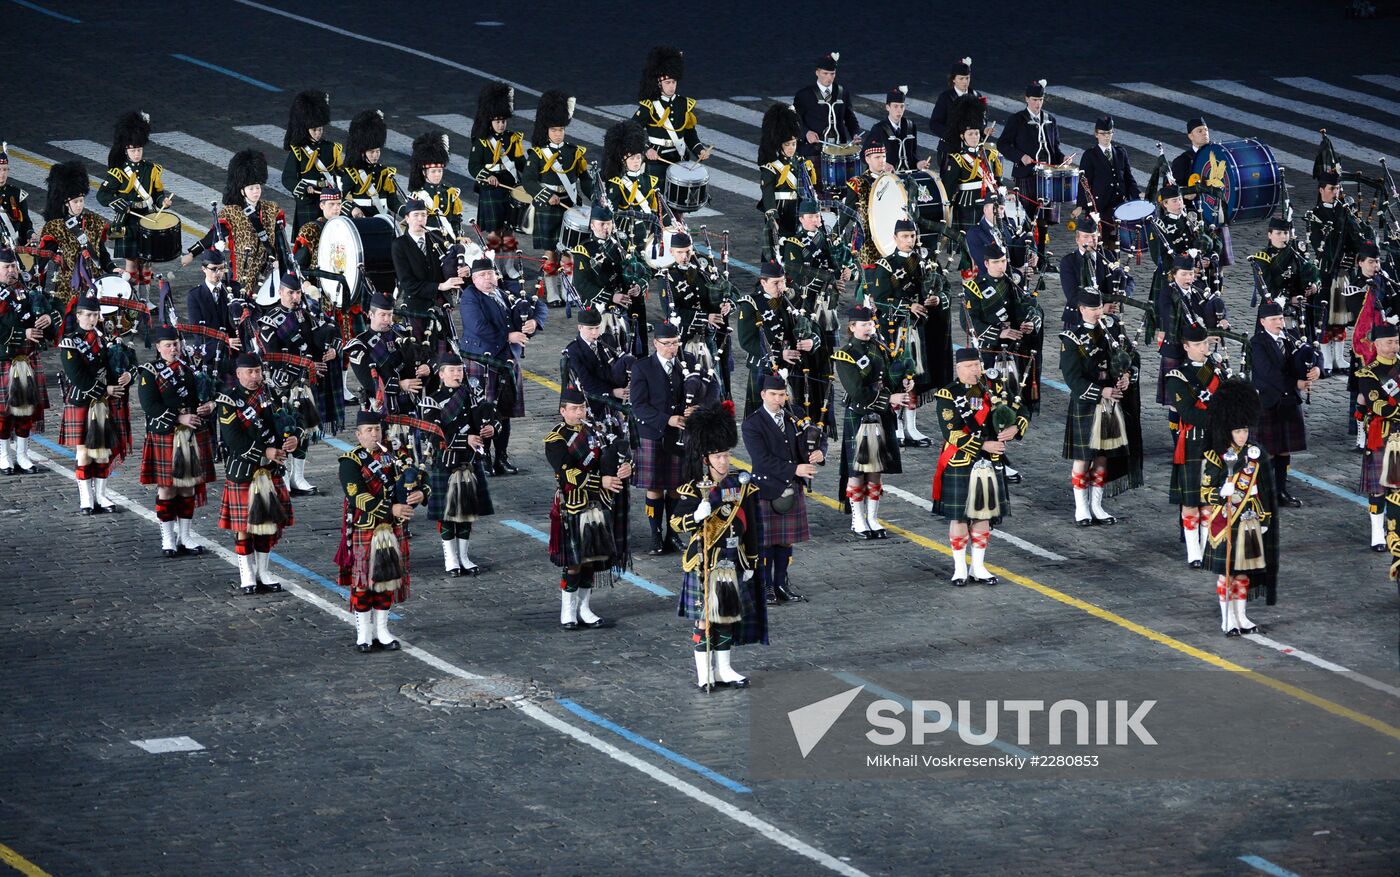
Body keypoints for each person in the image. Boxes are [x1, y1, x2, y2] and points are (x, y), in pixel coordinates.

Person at [669, 402, 765, 691]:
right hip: (704, 563)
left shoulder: (742, 486)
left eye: (726, 455)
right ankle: (704, 673)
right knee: (703, 621)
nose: (724, 461)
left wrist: (751, 560)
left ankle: (724, 669)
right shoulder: (695, 489)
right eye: (718, 456)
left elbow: (752, 528)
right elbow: (675, 523)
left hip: (732, 562)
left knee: (726, 618)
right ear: (706, 458)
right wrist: (696, 515)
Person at [931, 348, 1028, 585]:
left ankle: (978, 566)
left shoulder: (994, 387)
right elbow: (951, 433)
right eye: (969, 366)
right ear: (958, 368)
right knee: (960, 517)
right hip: (962, 460)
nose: (975, 370)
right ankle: (959, 568)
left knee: (983, 516)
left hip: (990, 462)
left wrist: (1016, 428)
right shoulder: (948, 394)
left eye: (977, 365)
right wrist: (985, 445)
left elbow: (1020, 408)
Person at [337, 408, 426, 652]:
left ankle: (383, 630)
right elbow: (359, 498)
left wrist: (421, 493)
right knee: (363, 582)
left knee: (388, 580)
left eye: (377, 429)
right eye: (369, 430)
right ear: (358, 435)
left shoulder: (396, 454)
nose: (374, 434)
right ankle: (364, 633)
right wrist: (392, 509)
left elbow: (420, 477)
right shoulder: (350, 461)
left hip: (393, 528)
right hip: (367, 527)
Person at [545, 384, 632, 630]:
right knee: (574, 562)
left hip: (599, 502)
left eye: (582, 407)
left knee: (591, 559)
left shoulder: (597, 430)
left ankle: (584, 608)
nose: (580, 412)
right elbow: (567, 474)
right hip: (574, 504)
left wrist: (626, 468)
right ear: (562, 411)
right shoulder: (556, 439)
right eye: (574, 409)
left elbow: (615, 455)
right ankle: (568, 610)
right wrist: (600, 481)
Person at [215, 352, 302, 594]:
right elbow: (234, 439)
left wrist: (295, 437)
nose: (255, 376)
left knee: (268, 524)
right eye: (250, 372)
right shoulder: (228, 401)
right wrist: (266, 451)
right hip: (244, 470)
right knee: (244, 526)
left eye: (258, 371)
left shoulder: (272, 394)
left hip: (271, 470)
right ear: (238, 374)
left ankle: (263, 572)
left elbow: (294, 419)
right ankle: (247, 575)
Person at [631, 321, 717, 555]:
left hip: (683, 436)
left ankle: (673, 533)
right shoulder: (643, 368)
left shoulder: (689, 361)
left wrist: (699, 408)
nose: (672, 348)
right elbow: (638, 406)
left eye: (675, 343)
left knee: (678, 488)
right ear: (655, 343)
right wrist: (666, 419)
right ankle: (655, 535)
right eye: (667, 344)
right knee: (655, 488)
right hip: (654, 434)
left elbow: (713, 389)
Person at [1200, 378, 1278, 636]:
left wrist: (1264, 519)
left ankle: (1242, 615)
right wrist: (1222, 493)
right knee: (1228, 573)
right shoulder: (1217, 456)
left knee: (1244, 573)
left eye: (1245, 430)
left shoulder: (1254, 454)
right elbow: (1205, 492)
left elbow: (1265, 491)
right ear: (1228, 431)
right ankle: (1227, 619)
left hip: (1250, 521)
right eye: (1238, 431)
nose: (1243, 435)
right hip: (1227, 521)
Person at [1060, 289, 1142, 527]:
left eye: (1099, 308)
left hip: (1111, 400)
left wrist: (1126, 375)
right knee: (1083, 457)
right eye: (1092, 309)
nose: (1097, 313)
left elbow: (1129, 357)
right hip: (1088, 402)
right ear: (1081, 310)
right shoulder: (1071, 338)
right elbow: (1072, 378)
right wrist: (1100, 392)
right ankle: (1081, 507)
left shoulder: (1113, 329)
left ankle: (1097, 505)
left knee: (1103, 455)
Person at [865, 218, 950, 446]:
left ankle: (911, 426)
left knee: (916, 377)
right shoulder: (885, 266)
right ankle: (897, 427)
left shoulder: (927, 260)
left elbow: (945, 287)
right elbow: (880, 300)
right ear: (895, 238)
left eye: (912, 236)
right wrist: (907, 306)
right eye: (905, 236)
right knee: (898, 375)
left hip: (921, 329)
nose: (909, 240)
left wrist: (937, 298)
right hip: (896, 330)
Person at [833, 305, 914, 538]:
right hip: (859, 415)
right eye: (864, 324)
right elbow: (857, 391)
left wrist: (903, 383)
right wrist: (891, 397)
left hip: (880, 416)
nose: (869, 328)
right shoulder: (844, 354)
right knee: (857, 470)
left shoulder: (879, 347)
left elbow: (887, 377)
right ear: (852, 327)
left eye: (870, 324)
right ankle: (858, 520)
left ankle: (872, 518)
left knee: (876, 469)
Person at [136, 324, 217, 556]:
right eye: (168, 345)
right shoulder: (150, 372)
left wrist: (210, 404)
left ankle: (186, 537)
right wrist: (179, 417)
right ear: (159, 348)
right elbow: (149, 406)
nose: (174, 349)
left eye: (176, 344)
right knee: (167, 489)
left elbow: (210, 393)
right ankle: (168, 539)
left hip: (191, 433)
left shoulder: (189, 368)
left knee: (187, 487)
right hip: (166, 433)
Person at [743, 373, 824, 604]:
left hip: (792, 486)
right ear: (763, 395)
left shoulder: (795, 415)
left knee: (786, 540)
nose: (779, 399)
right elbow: (762, 460)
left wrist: (820, 452)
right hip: (767, 487)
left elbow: (818, 436)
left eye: (782, 394)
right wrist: (795, 469)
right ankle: (766, 586)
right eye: (774, 395)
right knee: (767, 541)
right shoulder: (752, 424)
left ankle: (781, 583)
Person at [257, 271, 340, 495]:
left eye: (297, 293)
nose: (295, 297)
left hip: (303, 384)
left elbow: (323, 336)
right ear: (281, 292)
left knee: (303, 428)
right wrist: (307, 365)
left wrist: (330, 351)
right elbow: (272, 357)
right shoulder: (268, 321)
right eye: (291, 293)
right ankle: (282, 476)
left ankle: (298, 477)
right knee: (283, 429)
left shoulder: (305, 315)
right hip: (281, 386)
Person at [418, 350, 495, 576]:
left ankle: (464, 556)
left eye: (460, 370)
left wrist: (491, 428)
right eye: (452, 370)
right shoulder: (430, 400)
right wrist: (466, 439)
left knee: (466, 512)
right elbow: (434, 433)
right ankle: (450, 558)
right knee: (447, 514)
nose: (457, 374)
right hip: (446, 462)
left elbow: (491, 418)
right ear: (441, 374)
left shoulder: (473, 395)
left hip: (469, 461)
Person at [460, 258, 534, 475]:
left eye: (490, 274)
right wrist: (509, 335)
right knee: (482, 410)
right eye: (482, 275)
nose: (488, 278)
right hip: (482, 360)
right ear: (473, 279)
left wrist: (533, 322)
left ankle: (501, 458)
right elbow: (478, 326)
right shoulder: (469, 297)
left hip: (506, 359)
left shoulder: (502, 293)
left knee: (504, 411)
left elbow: (534, 307)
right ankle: (483, 458)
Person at [58, 291, 132, 514]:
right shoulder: (70, 342)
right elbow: (77, 377)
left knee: (103, 452)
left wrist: (128, 375)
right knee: (84, 453)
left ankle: (101, 495)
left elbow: (124, 364)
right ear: (78, 315)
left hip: (104, 403)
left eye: (96, 314)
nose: (92, 319)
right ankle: (86, 498)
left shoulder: (106, 340)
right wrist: (105, 389)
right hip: (82, 402)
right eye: (88, 314)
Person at [1164, 325, 1229, 568]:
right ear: (1186, 347)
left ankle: (1206, 547)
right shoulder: (1177, 377)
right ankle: (1193, 553)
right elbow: (1188, 413)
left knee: (1210, 499)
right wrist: (1220, 418)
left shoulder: (1218, 372)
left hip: (1216, 442)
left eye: (1206, 344)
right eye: (1199, 345)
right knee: (1191, 500)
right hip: (1193, 443)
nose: (1204, 349)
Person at [180, 150, 286, 292]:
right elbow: (214, 235)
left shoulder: (272, 209)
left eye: (258, 187)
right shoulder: (232, 212)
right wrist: (192, 253)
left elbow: (281, 240)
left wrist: (281, 260)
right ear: (242, 191)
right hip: (243, 271)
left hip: (269, 269)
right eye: (251, 188)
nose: (256, 191)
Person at [963, 242, 1044, 427]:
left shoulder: (1013, 283)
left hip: (1013, 347)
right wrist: (1000, 333)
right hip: (989, 349)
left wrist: (1031, 322)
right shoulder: (974, 288)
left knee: (1013, 386)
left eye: (1003, 261)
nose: (1001, 266)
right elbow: (969, 322)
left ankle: (1013, 417)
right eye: (996, 262)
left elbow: (1032, 306)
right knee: (990, 387)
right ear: (986, 264)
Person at [97, 111, 172, 305]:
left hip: (147, 219)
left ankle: (146, 300)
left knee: (146, 263)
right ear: (126, 150)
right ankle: (133, 300)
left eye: (139, 149)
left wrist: (162, 201)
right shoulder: (118, 172)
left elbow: (157, 193)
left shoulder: (151, 169)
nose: (137, 154)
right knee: (131, 263)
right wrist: (119, 203)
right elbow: (102, 195)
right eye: (133, 150)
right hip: (128, 222)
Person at [1251, 301, 1318, 508]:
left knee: (1283, 450)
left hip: (1289, 402)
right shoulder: (1257, 343)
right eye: (1274, 320)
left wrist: (1318, 369)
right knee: (1268, 450)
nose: (1279, 323)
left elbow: (1313, 353)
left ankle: (1280, 491)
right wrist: (1295, 383)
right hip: (1268, 401)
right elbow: (1267, 373)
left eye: (1280, 318)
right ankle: (1264, 494)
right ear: (1263, 322)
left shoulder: (1290, 337)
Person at [734, 260, 820, 417]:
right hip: (764, 367)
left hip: (793, 366)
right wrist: (779, 354)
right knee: (761, 418)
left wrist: (812, 341)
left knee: (795, 416)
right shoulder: (750, 304)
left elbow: (813, 325)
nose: (781, 287)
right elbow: (747, 342)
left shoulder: (793, 298)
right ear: (763, 282)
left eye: (782, 282)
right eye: (776, 283)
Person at [0, 247, 57, 474]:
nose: (12, 271)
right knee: (3, 414)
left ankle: (23, 456)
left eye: (14, 266)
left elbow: (54, 309)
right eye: (6, 268)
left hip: (28, 358)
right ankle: (4, 456)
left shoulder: (27, 290)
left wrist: (47, 317)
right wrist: (21, 334)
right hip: (4, 359)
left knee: (25, 411)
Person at [1144, 184, 1222, 340]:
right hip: (1175, 276)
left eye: (1180, 199)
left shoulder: (1192, 218)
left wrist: (1209, 258)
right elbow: (1159, 257)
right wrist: (1189, 268)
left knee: (1205, 308)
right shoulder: (1160, 226)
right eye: (1174, 201)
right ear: (1164, 204)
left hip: (1200, 274)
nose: (1179, 203)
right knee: (1173, 315)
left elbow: (1214, 241)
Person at [1308, 170, 1368, 373]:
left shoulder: (1344, 211)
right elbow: (1319, 244)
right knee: (1326, 316)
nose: (1337, 192)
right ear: (1322, 190)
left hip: (1343, 272)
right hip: (1326, 272)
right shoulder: (1315, 215)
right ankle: (1325, 358)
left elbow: (1354, 237)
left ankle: (1339, 357)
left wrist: (1358, 250)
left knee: (1340, 316)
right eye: (1332, 188)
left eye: (1338, 188)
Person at [1156, 254, 1229, 411]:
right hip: (1176, 349)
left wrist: (1222, 320)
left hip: (1197, 353)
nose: (1188, 278)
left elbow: (1215, 305)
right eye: (1183, 274)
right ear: (1173, 274)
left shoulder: (1198, 290)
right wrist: (1203, 338)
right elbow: (1172, 325)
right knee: (1177, 403)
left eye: (1190, 273)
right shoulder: (1167, 293)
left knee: (1200, 395)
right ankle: (1178, 434)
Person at [523, 90, 592, 255]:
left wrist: (595, 197)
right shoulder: (538, 153)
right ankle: (549, 282)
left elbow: (585, 178)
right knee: (551, 254)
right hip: (548, 207)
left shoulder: (574, 152)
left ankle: (568, 282)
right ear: (547, 130)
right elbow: (528, 181)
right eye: (554, 130)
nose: (558, 134)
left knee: (572, 253)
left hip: (570, 202)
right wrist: (546, 195)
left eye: (560, 130)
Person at [37, 161, 116, 303]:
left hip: (93, 285)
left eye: (81, 200)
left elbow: (101, 253)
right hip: (66, 289)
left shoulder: (93, 222)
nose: (79, 205)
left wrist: (112, 268)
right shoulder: (55, 228)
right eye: (75, 202)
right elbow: (44, 260)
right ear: (66, 203)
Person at [633, 46, 712, 180]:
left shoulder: (684, 103)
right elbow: (632, 131)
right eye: (667, 82)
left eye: (673, 82)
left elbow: (689, 134)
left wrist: (700, 150)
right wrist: (646, 150)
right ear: (659, 84)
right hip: (657, 160)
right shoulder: (649, 106)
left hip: (680, 158)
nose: (671, 86)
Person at [997, 80, 1066, 234]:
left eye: (1040, 100)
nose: (1038, 104)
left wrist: (1062, 159)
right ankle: (1027, 253)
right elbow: (1002, 144)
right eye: (1034, 100)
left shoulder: (1050, 120)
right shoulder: (1017, 119)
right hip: (1026, 175)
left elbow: (1054, 149)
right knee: (1026, 219)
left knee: (1044, 220)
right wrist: (1020, 157)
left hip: (1047, 176)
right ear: (1026, 99)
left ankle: (1041, 255)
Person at [345, 291, 428, 417]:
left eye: (390, 315)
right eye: (382, 315)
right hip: (381, 409)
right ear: (371, 315)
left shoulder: (401, 334)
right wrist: (400, 385)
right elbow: (371, 384)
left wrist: (427, 367)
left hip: (411, 406)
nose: (387, 320)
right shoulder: (359, 345)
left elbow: (424, 356)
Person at [392, 197, 458, 349]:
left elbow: (449, 265)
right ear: (407, 218)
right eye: (416, 215)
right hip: (416, 306)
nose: (420, 219)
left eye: (423, 215)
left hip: (441, 305)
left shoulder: (437, 238)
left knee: (445, 351)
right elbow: (408, 284)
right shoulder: (399, 245)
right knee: (421, 351)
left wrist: (462, 270)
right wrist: (440, 286)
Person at [1356, 323, 1400, 552]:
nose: (1394, 346)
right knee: (1379, 488)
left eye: (1396, 341)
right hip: (1383, 436)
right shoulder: (1369, 373)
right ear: (1377, 345)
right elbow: (1378, 405)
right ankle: (1377, 534)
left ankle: (1395, 530)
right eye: (1389, 342)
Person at [1248, 216, 1321, 346]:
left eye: (1286, 233)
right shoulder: (1262, 258)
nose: (1283, 237)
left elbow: (1312, 275)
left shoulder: (1297, 254)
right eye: (1278, 233)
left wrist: (1314, 286)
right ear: (1270, 235)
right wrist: (1289, 300)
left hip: (1300, 310)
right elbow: (1266, 290)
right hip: (1274, 311)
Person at [1076, 116, 1140, 258]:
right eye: (1103, 133)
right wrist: (1081, 205)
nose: (1106, 137)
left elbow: (1128, 177)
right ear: (1096, 134)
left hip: (1119, 205)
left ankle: (1115, 266)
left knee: (1117, 241)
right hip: (1100, 206)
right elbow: (1084, 182)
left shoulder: (1120, 152)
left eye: (1109, 133)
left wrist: (1137, 195)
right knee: (1102, 241)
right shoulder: (1090, 155)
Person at [280, 90, 343, 232]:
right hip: (308, 201)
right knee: (309, 237)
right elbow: (287, 178)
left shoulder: (331, 148)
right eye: (314, 129)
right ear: (306, 128)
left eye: (320, 129)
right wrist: (303, 188)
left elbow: (339, 172)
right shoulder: (299, 151)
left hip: (329, 200)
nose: (318, 133)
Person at [1057, 216, 1135, 329]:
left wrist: (1122, 295)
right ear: (1077, 239)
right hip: (1078, 319)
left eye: (1094, 236)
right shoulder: (1069, 261)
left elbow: (1128, 280)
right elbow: (1073, 296)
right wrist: (1100, 309)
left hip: (1107, 319)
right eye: (1086, 236)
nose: (1090, 240)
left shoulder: (1107, 255)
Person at [468, 82, 523, 237]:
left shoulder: (512, 138)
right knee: (494, 232)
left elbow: (520, 163)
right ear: (490, 121)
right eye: (497, 121)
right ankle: (493, 260)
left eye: (503, 121)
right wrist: (487, 176)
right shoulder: (482, 140)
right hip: (490, 189)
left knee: (508, 231)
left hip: (509, 184)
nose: (501, 125)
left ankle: (508, 262)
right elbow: (473, 166)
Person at [941, 94, 1001, 236]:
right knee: (968, 251)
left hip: (989, 204)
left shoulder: (989, 154)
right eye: (970, 134)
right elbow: (948, 190)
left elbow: (997, 181)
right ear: (962, 136)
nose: (974, 137)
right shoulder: (957, 160)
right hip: (967, 208)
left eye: (976, 133)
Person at [758, 103, 813, 248]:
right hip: (782, 211)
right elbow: (767, 195)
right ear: (779, 145)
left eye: (793, 144)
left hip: (800, 210)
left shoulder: (802, 163)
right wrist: (773, 219)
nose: (791, 148)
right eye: (787, 144)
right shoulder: (771, 168)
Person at [602, 120, 662, 252]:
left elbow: (659, 209)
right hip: (628, 233)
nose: (636, 162)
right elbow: (612, 213)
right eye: (631, 159)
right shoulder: (618, 184)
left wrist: (670, 226)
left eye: (638, 158)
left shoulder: (650, 180)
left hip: (649, 229)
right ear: (624, 162)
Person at [184, 249, 243, 382]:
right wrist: (225, 341)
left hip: (234, 353)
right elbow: (198, 331)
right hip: (209, 354)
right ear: (203, 269)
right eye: (214, 269)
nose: (218, 273)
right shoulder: (195, 295)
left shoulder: (233, 290)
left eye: (221, 269)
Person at [793, 51, 861, 163]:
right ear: (817, 72)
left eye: (832, 74)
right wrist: (806, 133)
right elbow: (795, 119)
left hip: (838, 151)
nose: (829, 78)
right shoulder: (804, 94)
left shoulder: (842, 92)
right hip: (813, 151)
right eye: (825, 73)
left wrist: (855, 133)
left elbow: (849, 117)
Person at [337, 109, 401, 221]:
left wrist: (408, 211)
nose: (375, 155)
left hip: (383, 220)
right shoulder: (352, 173)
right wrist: (353, 209)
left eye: (377, 151)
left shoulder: (384, 173)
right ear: (362, 152)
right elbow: (340, 198)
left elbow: (393, 202)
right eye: (371, 152)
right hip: (361, 220)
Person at [965, 192, 1038, 278]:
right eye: (995, 208)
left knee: (1028, 235)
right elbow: (985, 265)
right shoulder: (975, 233)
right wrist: (1018, 271)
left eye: (1002, 208)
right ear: (985, 210)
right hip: (991, 281)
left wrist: (1032, 254)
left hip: (1014, 278)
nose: (999, 212)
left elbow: (1014, 249)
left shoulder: (1008, 225)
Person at [928, 57, 982, 165]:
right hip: (950, 151)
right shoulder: (945, 98)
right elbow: (934, 124)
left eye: (967, 78)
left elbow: (981, 120)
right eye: (961, 79)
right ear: (953, 79)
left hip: (972, 151)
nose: (965, 82)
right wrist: (953, 135)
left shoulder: (976, 96)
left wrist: (983, 130)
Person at [868, 86, 927, 174]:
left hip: (907, 175)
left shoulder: (910, 126)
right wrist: (883, 164)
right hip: (886, 177)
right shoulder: (879, 128)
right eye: (895, 106)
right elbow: (864, 155)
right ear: (887, 107)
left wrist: (918, 163)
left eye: (902, 106)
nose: (899, 111)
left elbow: (912, 154)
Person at [1170, 117, 1212, 215]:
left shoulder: (1219, 155)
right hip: (1194, 210)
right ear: (1191, 136)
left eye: (1206, 130)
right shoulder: (1182, 161)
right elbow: (1173, 188)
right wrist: (1186, 193)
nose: (1204, 133)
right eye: (1199, 131)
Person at [0, 144, 37, 249]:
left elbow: (25, 222)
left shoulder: (17, 194)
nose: (2, 174)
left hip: (14, 247)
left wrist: (31, 234)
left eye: (5, 169)